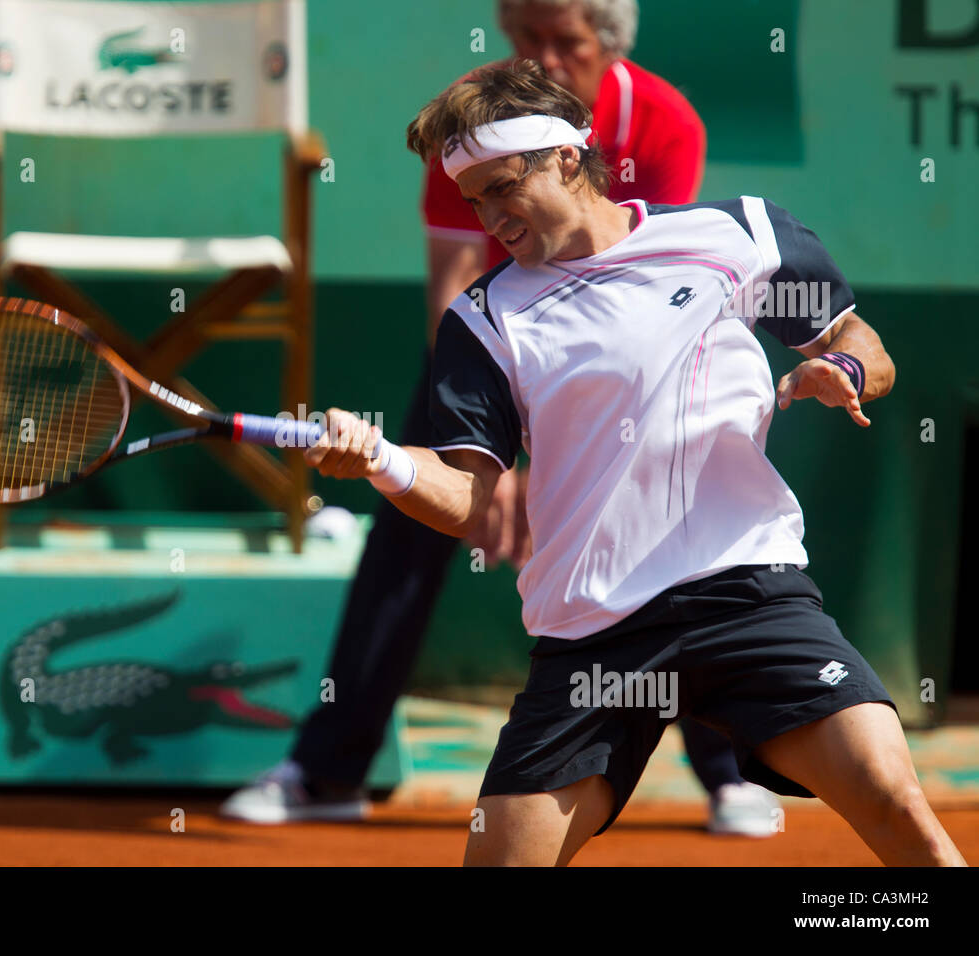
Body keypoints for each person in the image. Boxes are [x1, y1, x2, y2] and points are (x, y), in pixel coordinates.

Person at [295, 59, 968, 867]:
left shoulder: (739, 238)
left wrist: (847, 370)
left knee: (898, 806)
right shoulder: (484, 322)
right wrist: (380, 459)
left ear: (569, 160)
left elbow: (862, 345)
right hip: (595, 633)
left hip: (749, 595)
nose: (490, 216)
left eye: (503, 186)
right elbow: (474, 500)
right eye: (473, 199)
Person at [223, 0, 775, 837]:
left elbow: (661, 281)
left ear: (609, 45)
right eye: (528, 40)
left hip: (628, 356)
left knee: (681, 531)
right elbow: (451, 278)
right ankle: (329, 768)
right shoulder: (471, 118)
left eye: (567, 42)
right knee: (405, 536)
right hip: (493, 339)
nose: (545, 59)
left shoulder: (664, 121)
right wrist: (487, 432)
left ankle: (728, 774)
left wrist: (554, 439)